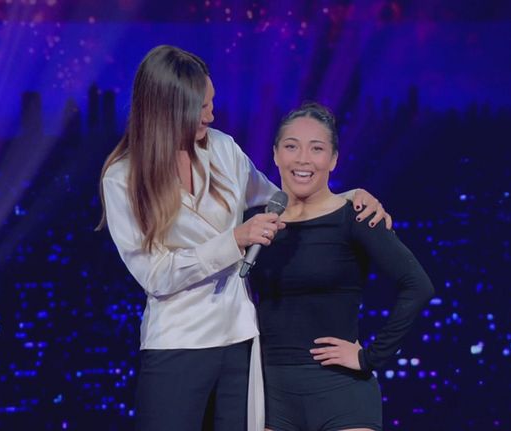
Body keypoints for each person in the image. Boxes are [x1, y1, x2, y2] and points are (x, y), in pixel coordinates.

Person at [96, 46, 392, 431]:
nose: (211, 115)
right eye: (202, 107)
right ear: (168, 108)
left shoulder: (223, 148)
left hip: (239, 339)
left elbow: (281, 198)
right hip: (177, 342)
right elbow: (155, 275)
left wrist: (348, 197)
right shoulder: (122, 177)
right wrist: (234, 240)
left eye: (211, 103)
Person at [246, 102, 436, 431]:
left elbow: (418, 286)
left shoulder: (356, 216)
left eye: (316, 149)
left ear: (333, 159)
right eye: (291, 146)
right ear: (275, 154)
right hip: (271, 393)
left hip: (341, 393)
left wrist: (370, 357)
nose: (303, 159)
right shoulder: (255, 224)